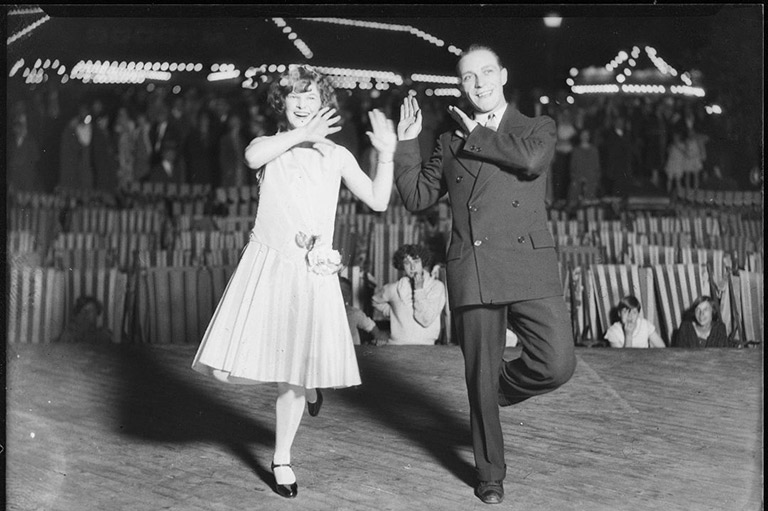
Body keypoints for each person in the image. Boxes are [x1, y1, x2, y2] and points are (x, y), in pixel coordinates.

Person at [191, 64, 396, 499]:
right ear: (281, 103)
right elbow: (251, 158)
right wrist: (301, 135)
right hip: (269, 266)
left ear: (325, 103)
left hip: (311, 273)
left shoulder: (337, 155)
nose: (303, 103)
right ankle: (305, 391)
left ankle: (281, 456)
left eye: (311, 96)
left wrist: (388, 154)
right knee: (278, 363)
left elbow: (378, 200)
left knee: (296, 377)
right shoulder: (269, 145)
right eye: (294, 96)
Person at [393, 45, 575, 504]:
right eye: (469, 77)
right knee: (477, 373)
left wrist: (477, 134)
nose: (479, 83)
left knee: (557, 364)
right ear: (461, 85)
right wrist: (407, 142)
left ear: (503, 75)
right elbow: (416, 196)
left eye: (487, 72)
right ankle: (490, 472)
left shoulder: (537, 128)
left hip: (527, 264)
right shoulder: (449, 141)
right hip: (472, 267)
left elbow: (531, 163)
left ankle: (496, 390)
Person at [371, 244, 446, 345]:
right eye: (407, 263)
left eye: (416, 261)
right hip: (396, 347)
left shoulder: (436, 287)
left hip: (426, 349)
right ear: (402, 265)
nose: (412, 267)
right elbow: (375, 301)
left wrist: (419, 290)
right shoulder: (394, 288)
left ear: (423, 262)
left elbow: (425, 319)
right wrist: (393, 311)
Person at [339, 276, 388, 346]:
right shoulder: (323, 315)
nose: (343, 295)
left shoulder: (354, 313)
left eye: (346, 293)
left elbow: (371, 327)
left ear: (349, 296)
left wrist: (379, 338)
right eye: (340, 292)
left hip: (354, 352)